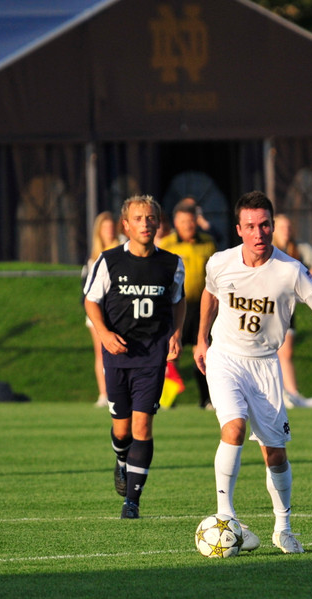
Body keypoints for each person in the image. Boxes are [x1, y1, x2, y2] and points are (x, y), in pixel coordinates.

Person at [194, 191, 312, 554]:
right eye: (250, 226)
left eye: (264, 225)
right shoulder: (220, 262)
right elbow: (210, 294)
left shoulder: (290, 271)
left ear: (273, 227)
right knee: (233, 427)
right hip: (225, 357)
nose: (258, 233)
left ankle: (283, 528)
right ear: (238, 229)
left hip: (264, 366)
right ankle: (226, 516)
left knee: (274, 453)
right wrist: (200, 339)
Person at [83, 195, 186, 519]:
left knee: (143, 425)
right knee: (122, 430)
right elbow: (91, 301)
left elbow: (178, 300)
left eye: (151, 218)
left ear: (158, 223)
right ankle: (120, 459)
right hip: (118, 354)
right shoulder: (109, 260)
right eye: (138, 218)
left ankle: (132, 501)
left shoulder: (172, 263)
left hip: (152, 355)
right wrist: (103, 333)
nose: (146, 223)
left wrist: (176, 333)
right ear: (126, 225)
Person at [159, 198, 217, 408]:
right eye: (183, 221)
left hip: (202, 307)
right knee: (170, 352)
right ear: (176, 222)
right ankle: (166, 399)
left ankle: (206, 399)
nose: (188, 225)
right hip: (175, 306)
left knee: (203, 351)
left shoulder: (208, 243)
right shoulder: (167, 245)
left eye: (191, 221)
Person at [272, 213, 312, 406]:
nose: (286, 231)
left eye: (289, 227)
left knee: (286, 351)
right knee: (268, 352)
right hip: (266, 307)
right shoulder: (268, 249)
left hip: (287, 307)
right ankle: (276, 393)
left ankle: (291, 393)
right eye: (282, 227)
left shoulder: (297, 248)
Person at [84, 211, 125, 408]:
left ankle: (122, 391)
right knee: (101, 353)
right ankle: (103, 393)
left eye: (111, 227)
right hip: (98, 312)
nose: (108, 231)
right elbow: (87, 293)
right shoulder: (94, 259)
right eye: (104, 228)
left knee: (121, 351)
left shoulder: (124, 249)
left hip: (120, 312)